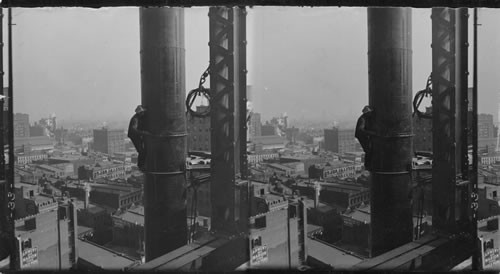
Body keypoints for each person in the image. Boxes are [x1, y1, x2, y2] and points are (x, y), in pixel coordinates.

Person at [128, 105, 150, 170]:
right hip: (134, 136)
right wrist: (143, 133)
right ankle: (141, 166)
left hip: (137, 135)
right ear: (140, 113)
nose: (143, 113)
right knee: (141, 150)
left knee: (143, 150)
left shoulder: (139, 118)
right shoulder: (135, 119)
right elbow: (133, 130)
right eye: (142, 112)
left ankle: (142, 165)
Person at [355, 105, 376, 171]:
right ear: (367, 113)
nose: (371, 114)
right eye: (370, 113)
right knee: (368, 149)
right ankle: (367, 165)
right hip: (361, 136)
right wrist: (371, 133)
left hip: (364, 136)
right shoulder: (362, 119)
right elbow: (360, 130)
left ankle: (368, 165)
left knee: (369, 149)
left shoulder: (366, 118)